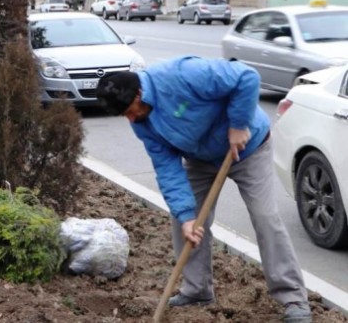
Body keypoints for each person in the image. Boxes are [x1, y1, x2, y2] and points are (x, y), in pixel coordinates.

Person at [95, 56, 311, 323]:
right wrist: (186, 215)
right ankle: (197, 290)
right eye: (124, 115)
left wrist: (238, 124)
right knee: (184, 221)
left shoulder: (182, 74)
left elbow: (246, 77)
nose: (131, 118)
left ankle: (292, 298)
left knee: (265, 217)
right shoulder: (142, 124)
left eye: (130, 110)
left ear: (139, 92)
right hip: (202, 159)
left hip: (248, 147)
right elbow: (167, 169)